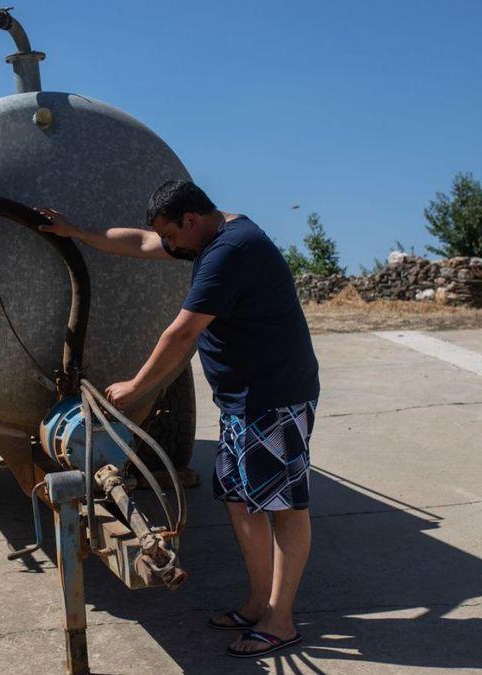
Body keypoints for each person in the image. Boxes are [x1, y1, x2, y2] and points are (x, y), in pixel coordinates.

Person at [37, 180, 320, 659]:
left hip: (273, 398)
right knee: (241, 501)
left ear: (191, 220)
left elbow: (182, 331)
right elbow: (142, 242)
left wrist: (136, 386)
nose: (167, 246)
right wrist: (77, 232)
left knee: (284, 506)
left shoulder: (230, 251)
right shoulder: (208, 238)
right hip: (241, 401)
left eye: (172, 235)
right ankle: (257, 603)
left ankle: (281, 619)